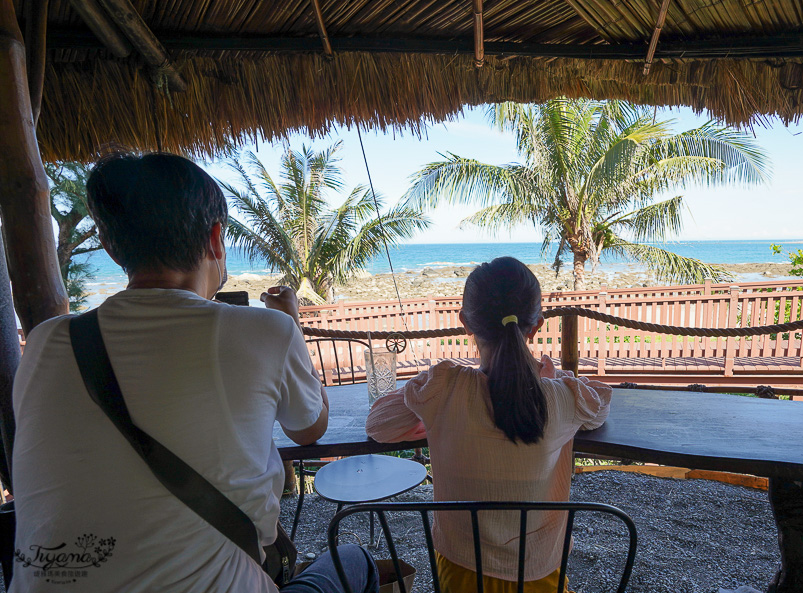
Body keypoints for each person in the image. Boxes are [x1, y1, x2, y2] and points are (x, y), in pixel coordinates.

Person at [10, 153, 377, 593]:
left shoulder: (46, 343)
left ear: (112, 247)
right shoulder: (265, 331)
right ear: (216, 239)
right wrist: (291, 325)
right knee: (355, 560)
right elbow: (309, 427)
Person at [366, 256, 612, 593]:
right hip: (540, 575)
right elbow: (600, 403)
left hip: (462, 574)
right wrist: (553, 378)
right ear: (536, 325)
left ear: (465, 323)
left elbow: (378, 424)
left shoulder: (445, 387)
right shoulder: (562, 398)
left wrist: (431, 415)